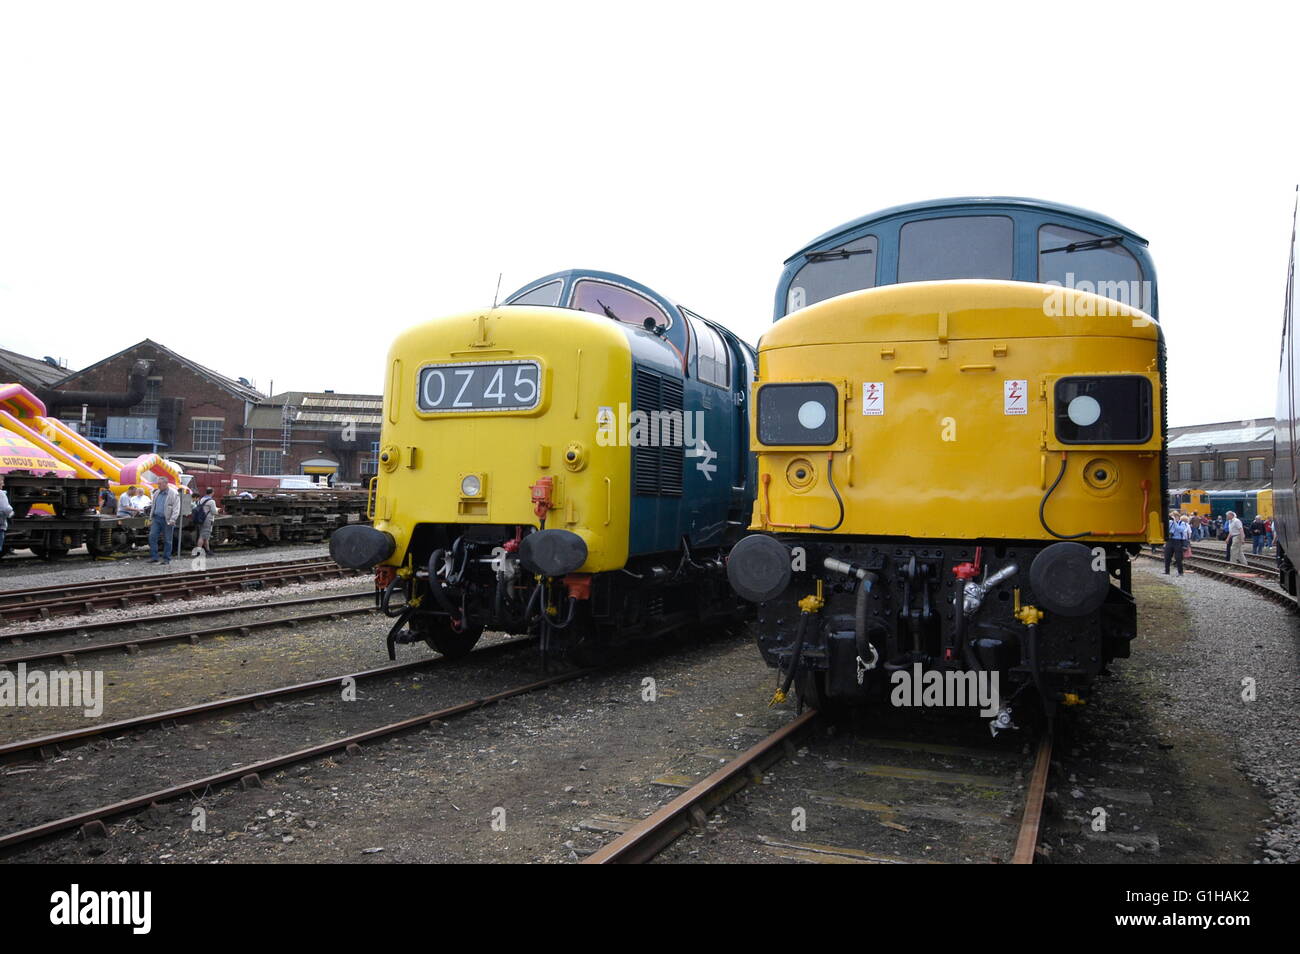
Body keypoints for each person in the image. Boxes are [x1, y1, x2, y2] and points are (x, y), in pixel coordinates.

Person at [148, 478, 180, 564]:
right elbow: (153, 505)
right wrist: (151, 518)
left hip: (167, 520)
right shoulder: (156, 492)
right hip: (156, 518)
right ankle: (154, 557)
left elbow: (176, 508)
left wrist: (173, 519)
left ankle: (166, 559)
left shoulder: (173, 493)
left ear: (166, 483)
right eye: (158, 484)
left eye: (160, 484)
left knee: (167, 540)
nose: (158, 485)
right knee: (152, 537)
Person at [172, 485, 194, 558]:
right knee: (178, 537)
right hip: (181, 520)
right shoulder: (185, 499)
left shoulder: (175, 498)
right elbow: (190, 509)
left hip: (177, 520)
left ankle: (175, 550)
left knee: (175, 537)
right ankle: (178, 550)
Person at [1165, 510, 1190, 576]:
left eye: (1172, 517)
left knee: (1178, 557)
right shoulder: (1170, 522)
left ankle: (1180, 572)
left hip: (1178, 541)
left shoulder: (1182, 523)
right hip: (1170, 540)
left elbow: (1180, 529)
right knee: (1167, 556)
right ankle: (1167, 571)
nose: (1171, 518)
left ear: (1177, 516)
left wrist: (1175, 522)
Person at [195, 487, 218, 555]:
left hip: (201, 519)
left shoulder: (201, 499)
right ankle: (198, 551)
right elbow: (214, 512)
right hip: (208, 520)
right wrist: (217, 511)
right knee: (202, 536)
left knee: (206, 536)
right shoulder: (211, 501)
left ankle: (208, 550)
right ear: (212, 493)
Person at [0, 475, 13, 559]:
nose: (3, 484)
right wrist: (11, 514)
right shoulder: (1, 494)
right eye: (1, 482)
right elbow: (6, 508)